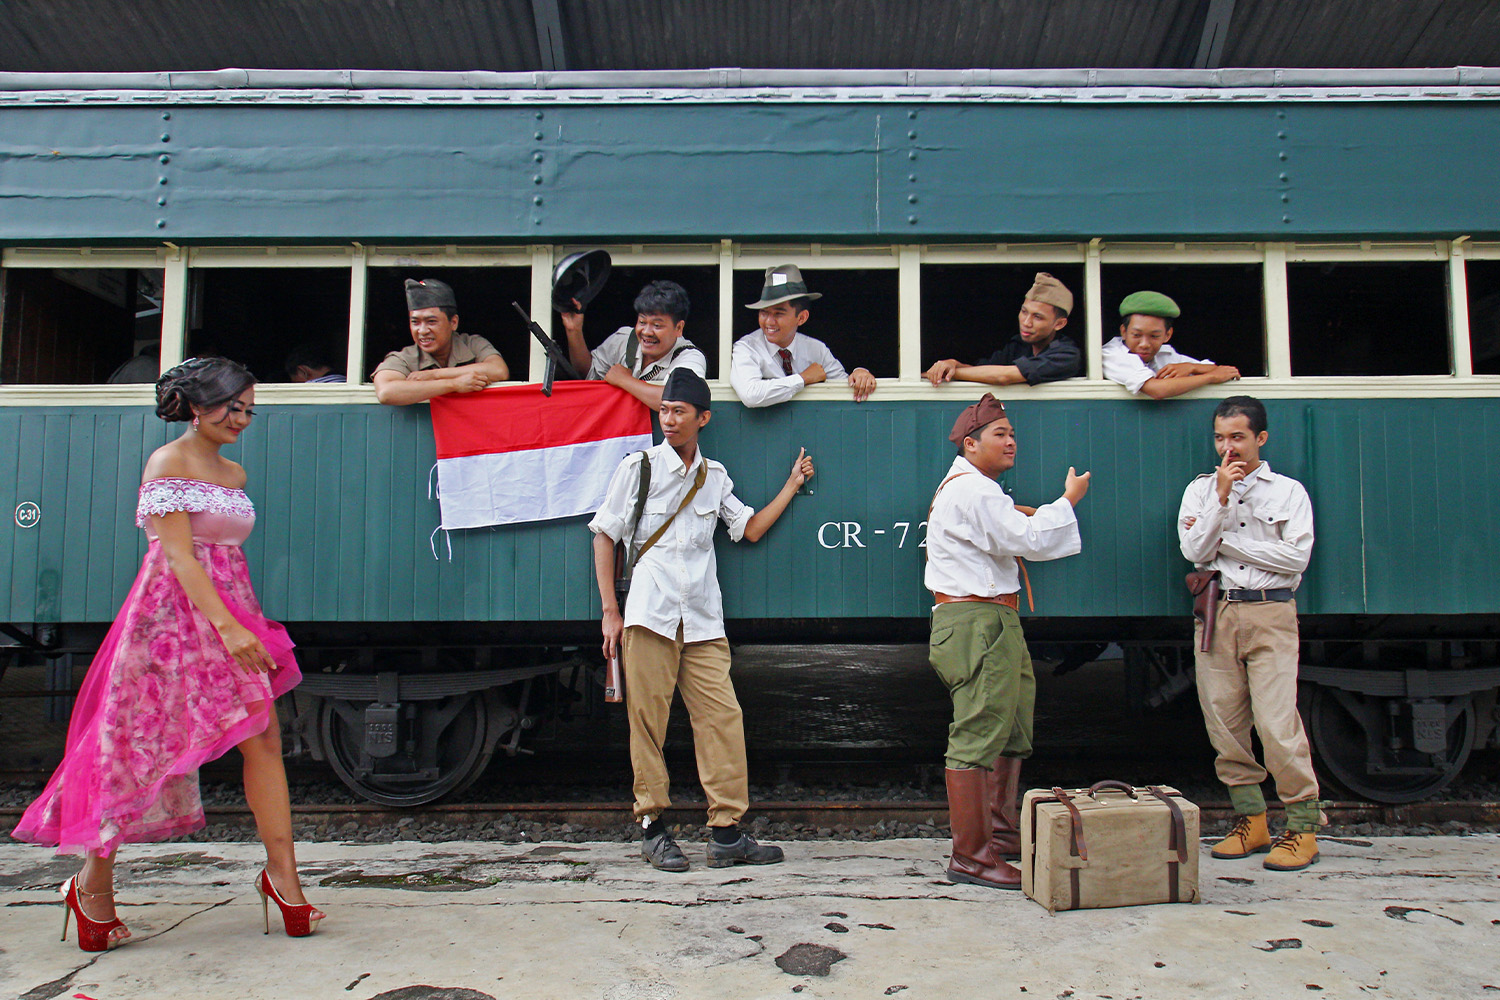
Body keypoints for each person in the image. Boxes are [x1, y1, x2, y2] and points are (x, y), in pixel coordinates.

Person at [12, 357, 324, 950]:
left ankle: (285, 880)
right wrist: (230, 630)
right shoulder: (167, 462)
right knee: (138, 749)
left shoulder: (233, 473)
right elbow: (179, 557)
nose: (241, 418)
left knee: (263, 738)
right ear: (198, 404)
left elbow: (224, 556)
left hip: (231, 607)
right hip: (168, 620)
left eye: (249, 409)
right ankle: (92, 884)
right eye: (232, 406)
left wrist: (240, 623)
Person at [588, 369, 814, 871]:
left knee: (722, 720)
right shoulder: (638, 469)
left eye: (678, 412)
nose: (667, 419)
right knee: (648, 724)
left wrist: (791, 486)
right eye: (663, 410)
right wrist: (610, 611)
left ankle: (727, 833)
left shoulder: (714, 477)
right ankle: (653, 828)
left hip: (704, 621)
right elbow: (604, 536)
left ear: (702, 418)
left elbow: (748, 529)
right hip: (649, 615)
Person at [925, 393, 1090, 889]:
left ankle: (996, 833)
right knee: (980, 728)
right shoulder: (973, 491)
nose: (1011, 440)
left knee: (1011, 723)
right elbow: (1030, 541)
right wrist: (1069, 500)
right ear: (971, 445)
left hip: (993, 615)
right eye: (1000, 434)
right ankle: (971, 856)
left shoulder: (978, 489)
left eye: (1012, 433)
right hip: (977, 618)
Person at [1178, 395, 1323, 872]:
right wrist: (1219, 501)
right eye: (1220, 438)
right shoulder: (1200, 491)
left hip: (1271, 614)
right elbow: (1193, 550)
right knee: (1224, 724)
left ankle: (1302, 826)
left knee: (1278, 725)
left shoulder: (1288, 492)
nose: (1228, 448)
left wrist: (1227, 541)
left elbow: (1295, 559)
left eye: (1237, 437)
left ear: (1260, 438)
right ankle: (1252, 822)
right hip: (1216, 615)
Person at [729, 265, 877, 406]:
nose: (769, 321)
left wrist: (859, 373)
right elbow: (751, 395)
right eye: (764, 312)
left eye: (778, 313)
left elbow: (843, 385)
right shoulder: (747, 347)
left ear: (802, 318)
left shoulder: (817, 349)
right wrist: (803, 378)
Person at [561, 279, 707, 410]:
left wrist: (624, 380)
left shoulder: (690, 356)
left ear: (679, 328)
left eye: (657, 325)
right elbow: (586, 374)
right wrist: (573, 330)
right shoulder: (624, 339)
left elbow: (677, 399)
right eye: (642, 322)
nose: (647, 332)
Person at [923, 273, 1081, 387]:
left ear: (1059, 324)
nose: (1026, 322)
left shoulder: (1066, 354)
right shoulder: (1019, 345)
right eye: (1024, 312)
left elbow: (1002, 377)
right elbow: (982, 371)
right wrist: (953, 363)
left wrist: (950, 373)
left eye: (1037, 317)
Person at [373, 278, 509, 405]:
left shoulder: (472, 344)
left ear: (453, 322)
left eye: (431, 321)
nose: (422, 330)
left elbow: (498, 370)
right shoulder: (404, 358)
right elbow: (386, 392)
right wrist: (454, 384)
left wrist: (434, 375)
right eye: (415, 322)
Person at [1103, 291, 1240, 399]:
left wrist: (1191, 367)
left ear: (1167, 335)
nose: (1144, 344)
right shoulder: (1112, 354)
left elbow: (1216, 369)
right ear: (1124, 331)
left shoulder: (1165, 353)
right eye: (1137, 335)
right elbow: (1157, 390)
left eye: (1154, 336)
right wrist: (1210, 378)